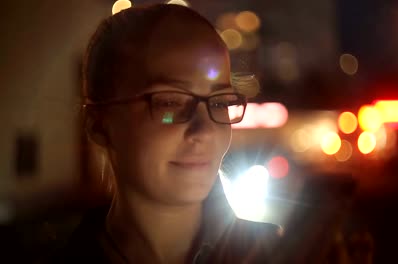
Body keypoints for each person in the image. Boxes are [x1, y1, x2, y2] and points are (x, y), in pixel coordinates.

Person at [50, 3, 280, 264]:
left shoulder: (282, 254)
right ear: (98, 125)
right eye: (170, 102)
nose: (204, 130)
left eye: (220, 102)